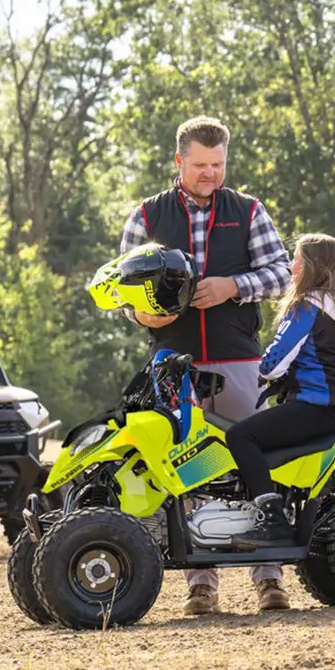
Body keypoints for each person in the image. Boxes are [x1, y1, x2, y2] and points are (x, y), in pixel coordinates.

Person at [119, 115, 294, 614]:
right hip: (172, 362)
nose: (210, 174)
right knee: (188, 470)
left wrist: (232, 287)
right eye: (200, 165)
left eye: (218, 165)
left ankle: (270, 579)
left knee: (259, 465)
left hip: (240, 359)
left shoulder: (250, 211)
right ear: (179, 161)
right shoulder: (146, 217)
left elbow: (282, 274)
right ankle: (201, 586)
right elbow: (121, 289)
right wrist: (138, 311)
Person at [225, 234, 335, 549]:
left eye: (297, 259)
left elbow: (272, 364)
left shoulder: (307, 304)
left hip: (314, 407)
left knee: (239, 437)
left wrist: (263, 369)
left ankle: (272, 523)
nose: (291, 266)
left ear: (312, 265)